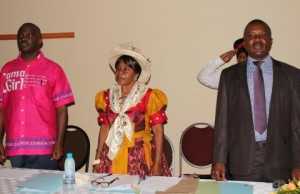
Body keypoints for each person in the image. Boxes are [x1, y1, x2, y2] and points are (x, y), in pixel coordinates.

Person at [212, 19, 300, 182]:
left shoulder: (292, 75)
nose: (257, 39)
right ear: (244, 42)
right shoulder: (229, 76)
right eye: (251, 36)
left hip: (280, 162)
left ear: (270, 41)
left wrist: (298, 163)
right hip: (241, 161)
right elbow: (222, 122)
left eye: (262, 35)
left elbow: (296, 125)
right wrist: (219, 160)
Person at [0, 23, 75, 169]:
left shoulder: (53, 70)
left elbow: (62, 110)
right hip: (16, 148)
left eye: (29, 35)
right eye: (20, 35)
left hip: (44, 149)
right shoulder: (6, 70)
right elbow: (1, 109)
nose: (23, 38)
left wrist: (59, 144)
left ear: (40, 41)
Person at [93, 44, 171, 177]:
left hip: (138, 157)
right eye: (118, 69)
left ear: (136, 74)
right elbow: (105, 128)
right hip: (112, 154)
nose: (120, 73)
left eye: (126, 69)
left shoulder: (149, 96)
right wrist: (98, 158)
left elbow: (158, 131)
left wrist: (157, 163)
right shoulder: (106, 97)